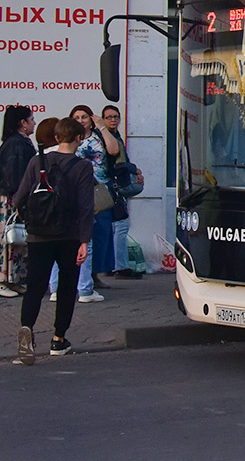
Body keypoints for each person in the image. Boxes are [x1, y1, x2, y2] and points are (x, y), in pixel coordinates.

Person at [13, 116, 95, 365]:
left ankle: (27, 327)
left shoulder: (37, 161)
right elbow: (85, 207)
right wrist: (84, 240)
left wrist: (30, 220)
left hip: (38, 236)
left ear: (57, 137)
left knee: (35, 288)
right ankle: (59, 340)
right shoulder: (82, 167)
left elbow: (19, 198)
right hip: (69, 236)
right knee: (67, 287)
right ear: (79, 139)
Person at [49, 105, 107, 303]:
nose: (81, 120)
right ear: (77, 137)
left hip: (55, 208)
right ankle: (84, 289)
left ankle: (56, 289)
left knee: (58, 247)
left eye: (84, 116)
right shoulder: (82, 164)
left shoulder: (46, 157)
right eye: (77, 117)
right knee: (85, 246)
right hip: (80, 204)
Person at [98, 105, 145, 279]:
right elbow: (115, 163)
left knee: (114, 226)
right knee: (120, 225)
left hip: (115, 185)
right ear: (102, 119)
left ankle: (110, 265)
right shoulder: (105, 137)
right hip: (112, 186)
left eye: (115, 116)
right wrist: (134, 169)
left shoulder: (116, 135)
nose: (113, 120)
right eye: (108, 117)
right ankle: (120, 267)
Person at [1, 106, 37, 298]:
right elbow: (14, 175)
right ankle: (3, 279)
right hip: (12, 198)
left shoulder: (19, 142)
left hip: (16, 197)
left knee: (17, 239)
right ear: (23, 123)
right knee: (10, 237)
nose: (34, 123)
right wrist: (19, 197)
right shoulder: (16, 144)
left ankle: (13, 279)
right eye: (31, 119)